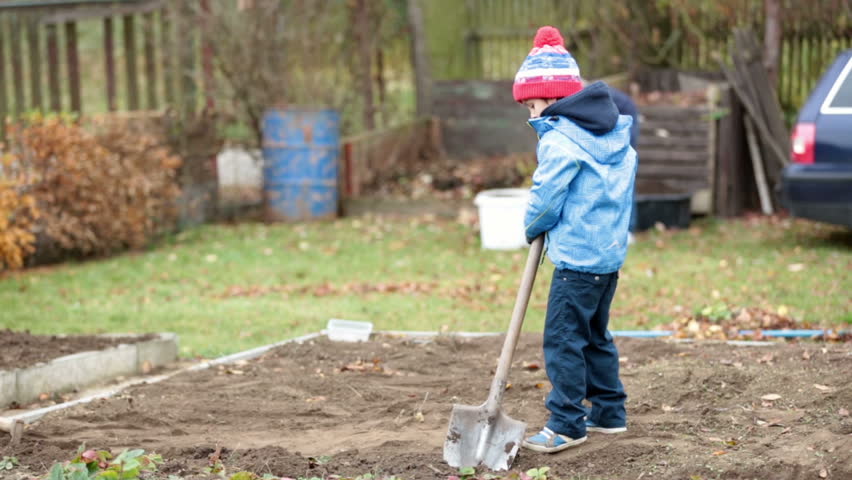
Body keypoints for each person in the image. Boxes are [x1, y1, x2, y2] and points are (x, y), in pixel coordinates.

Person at [513, 26, 637, 453]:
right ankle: (608, 412)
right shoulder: (614, 136)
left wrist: (532, 226)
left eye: (532, 104)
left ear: (551, 100)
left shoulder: (560, 141)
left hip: (575, 263)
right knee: (595, 334)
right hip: (607, 258)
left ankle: (567, 422)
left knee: (564, 339)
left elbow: (546, 197)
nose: (530, 115)